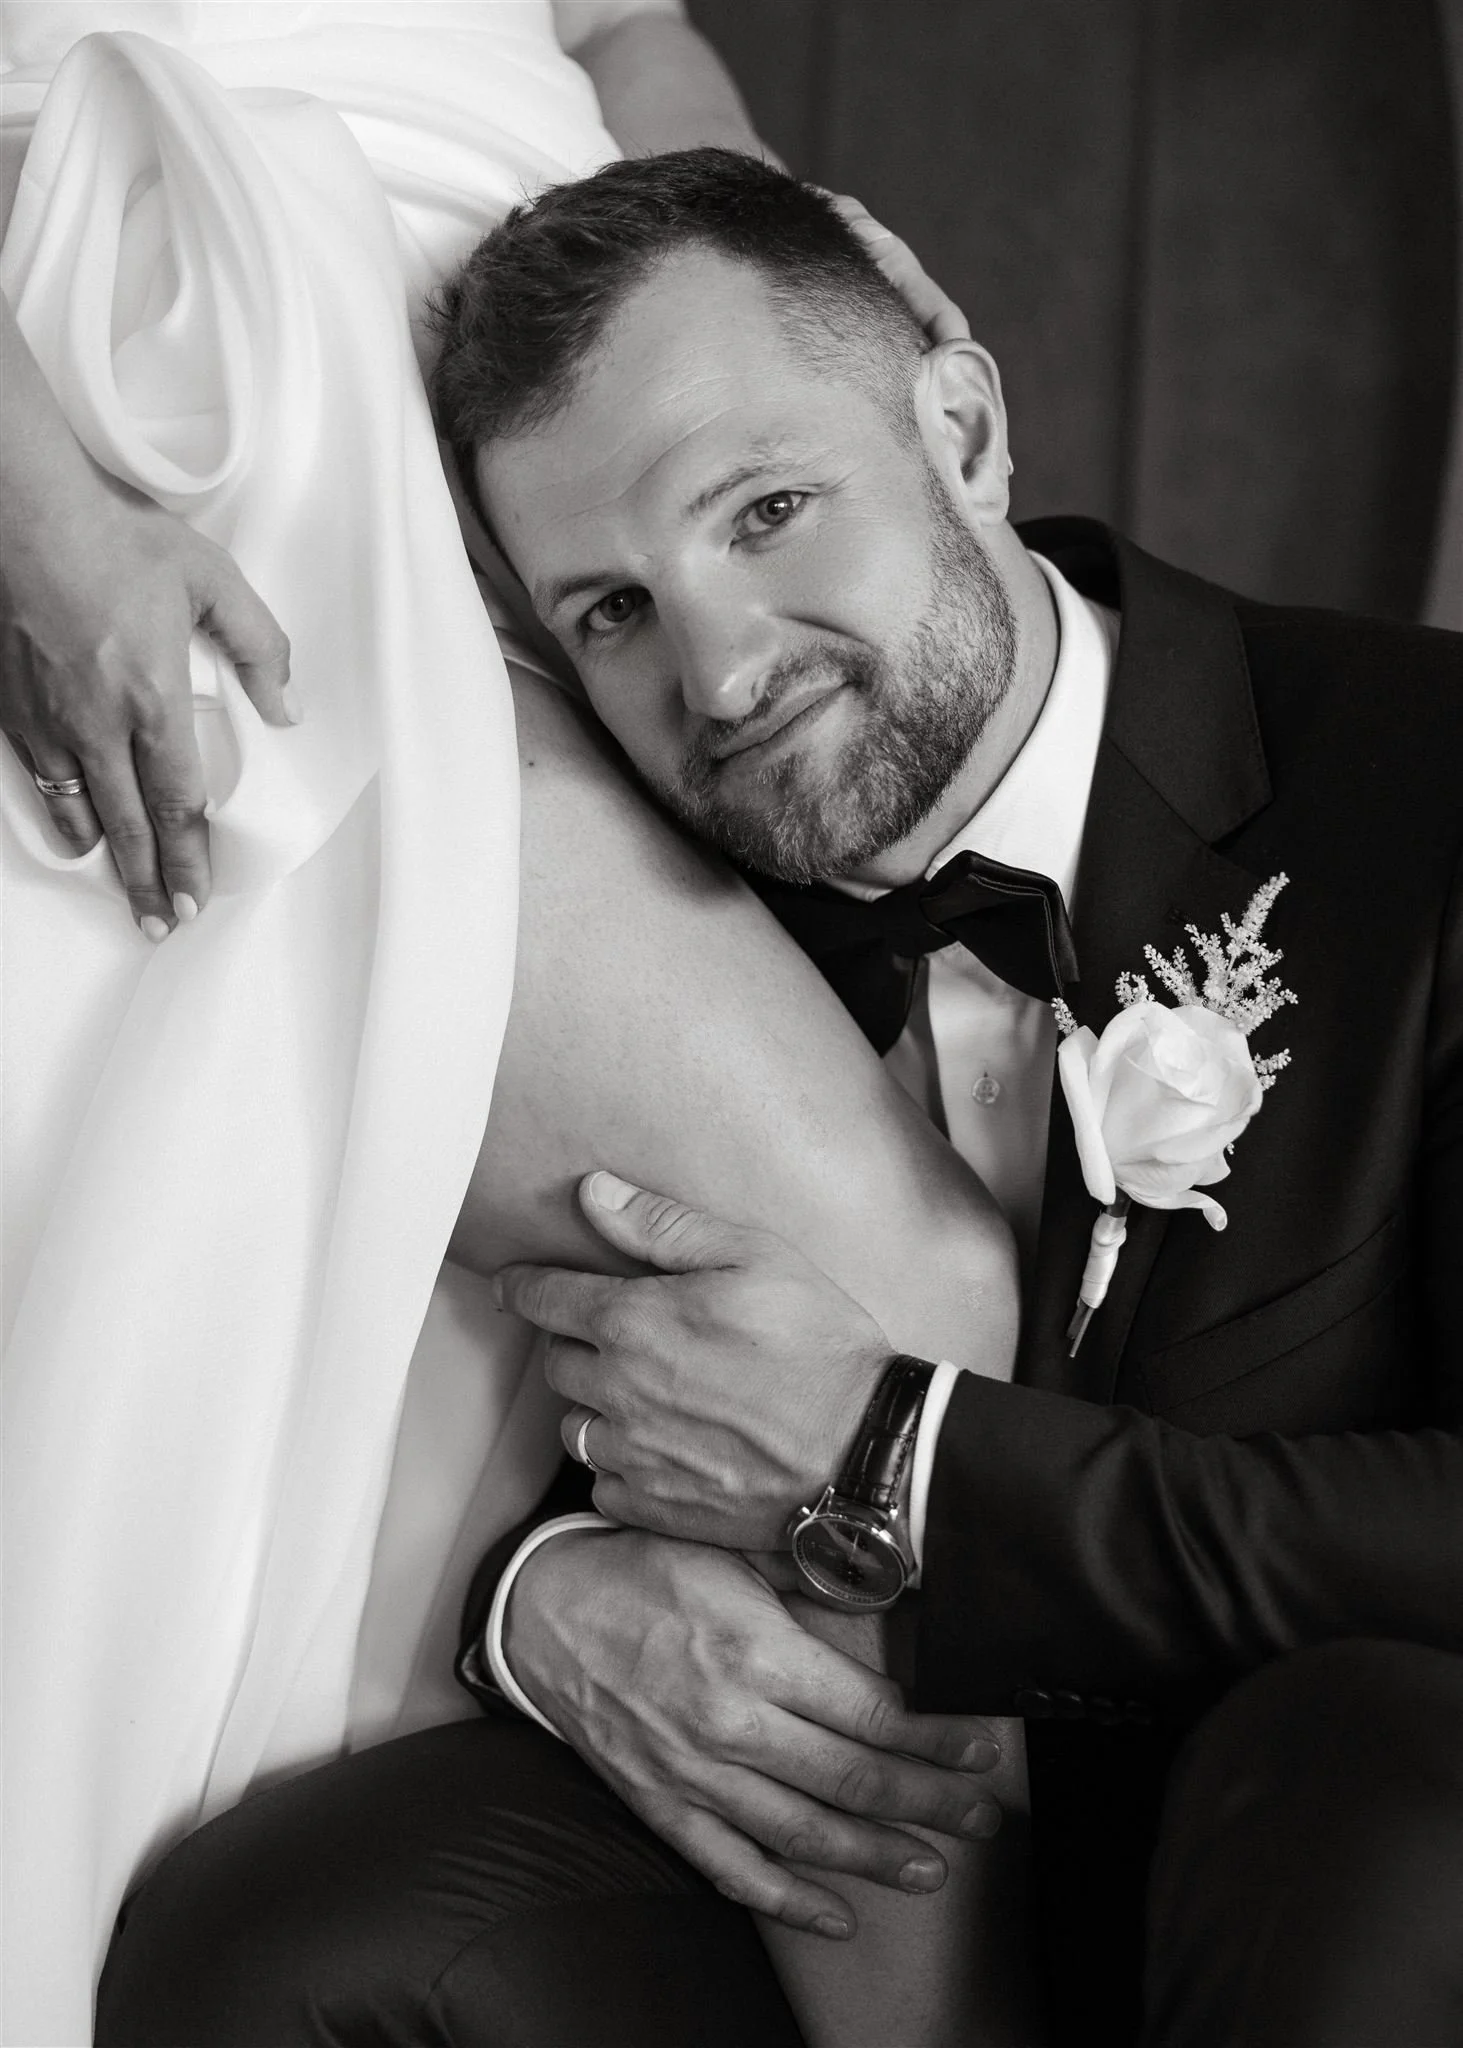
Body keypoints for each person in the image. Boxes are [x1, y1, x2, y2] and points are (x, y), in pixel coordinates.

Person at [99, 151, 1463, 2048]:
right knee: (286, 1938)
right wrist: (538, 1598)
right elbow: (529, 1404)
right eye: (608, 614)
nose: (720, 673)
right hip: (873, 1874)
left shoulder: (1429, 780)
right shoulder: (634, 917)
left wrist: (904, 1466)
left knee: (1373, 1786)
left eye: (765, 512)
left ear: (962, 428)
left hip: (1330, 1843)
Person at [1, 11, 978, 2043]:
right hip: (171, 413)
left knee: (839, 1357)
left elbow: (622, 17)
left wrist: (770, 250)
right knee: (875, 1290)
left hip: (564, 388)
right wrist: (33, 509)